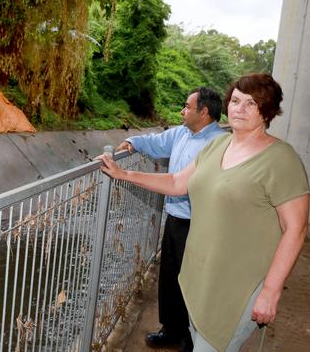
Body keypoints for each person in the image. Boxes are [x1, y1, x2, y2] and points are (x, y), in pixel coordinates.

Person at [100, 73, 309, 352]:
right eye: (235, 101)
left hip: (238, 286)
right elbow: (176, 182)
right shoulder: (218, 145)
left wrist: (270, 291)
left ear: (267, 110)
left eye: (251, 103)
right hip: (200, 278)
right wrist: (124, 173)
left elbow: (295, 229)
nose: (240, 109)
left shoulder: (282, 159)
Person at [115, 87, 225, 351]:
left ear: (204, 112)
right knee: (171, 276)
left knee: (194, 282)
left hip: (201, 224)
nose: (181, 111)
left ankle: (191, 336)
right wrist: (134, 143)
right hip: (175, 218)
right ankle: (171, 330)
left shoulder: (219, 144)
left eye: (187, 107)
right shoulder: (181, 133)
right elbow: (156, 142)